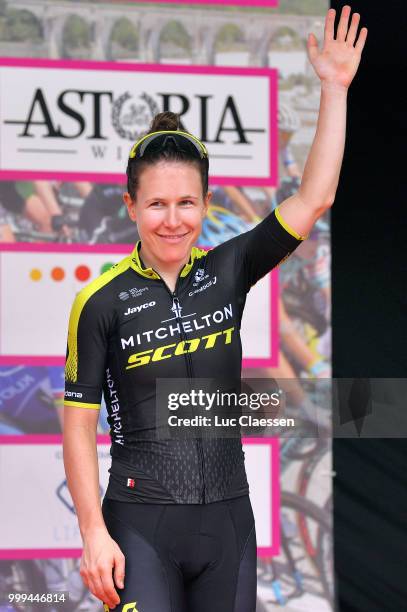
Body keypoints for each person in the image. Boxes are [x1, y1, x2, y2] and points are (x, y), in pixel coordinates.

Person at [63, 6, 367, 611]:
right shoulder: (98, 301)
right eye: (155, 204)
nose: (172, 220)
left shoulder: (227, 269)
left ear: (206, 202)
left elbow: (315, 198)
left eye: (186, 203)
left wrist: (333, 88)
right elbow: (78, 423)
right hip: (138, 527)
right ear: (130, 205)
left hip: (228, 520)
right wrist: (93, 532)